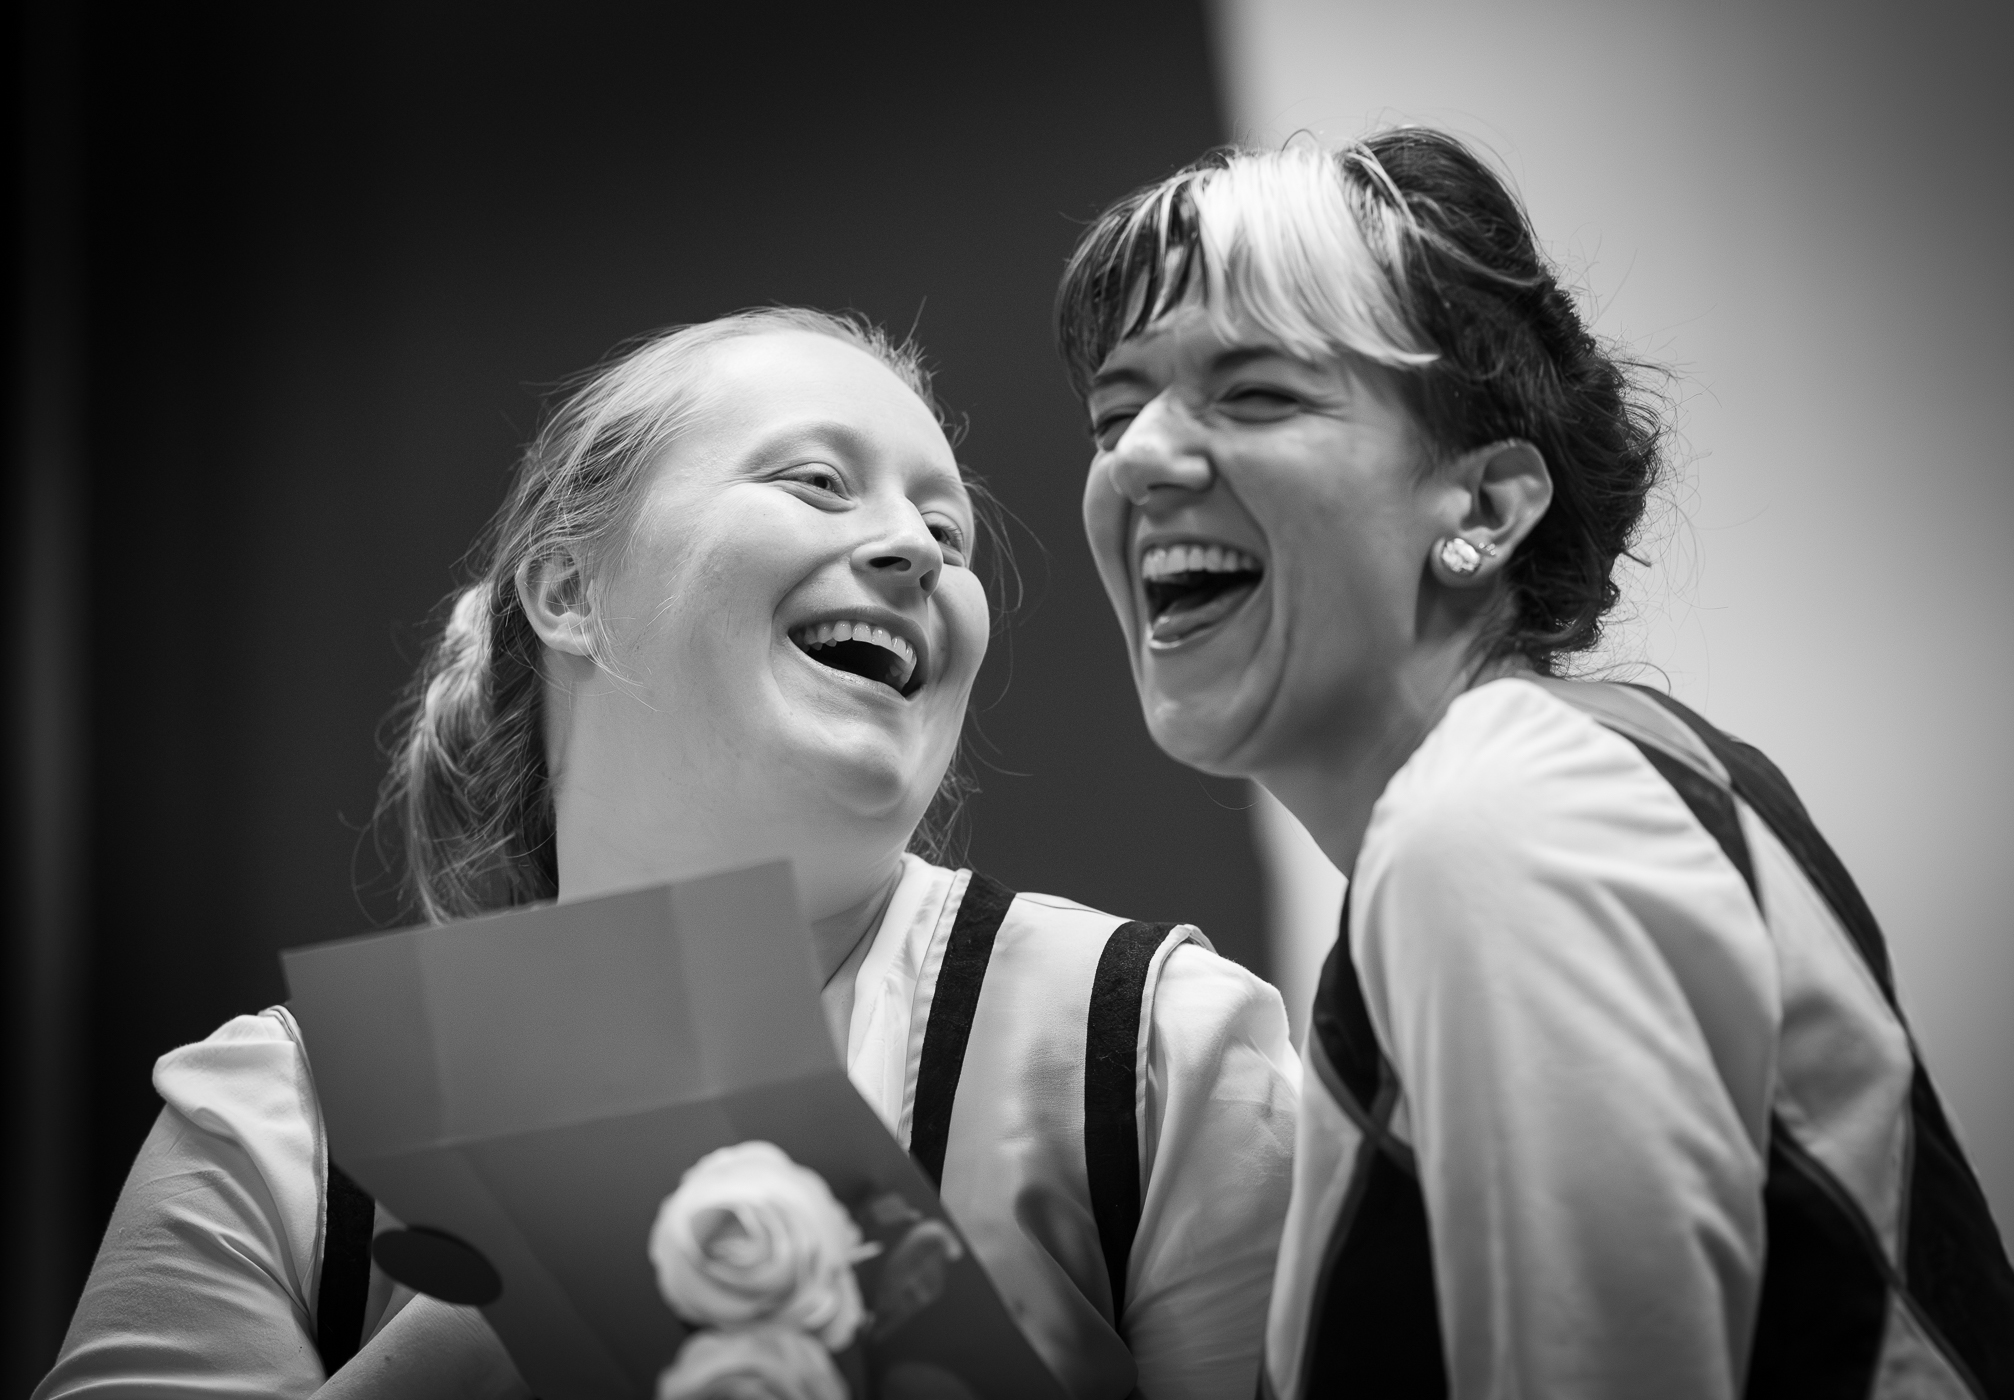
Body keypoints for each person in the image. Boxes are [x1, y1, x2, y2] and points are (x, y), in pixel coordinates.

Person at [38, 308, 1300, 1400]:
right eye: (817, 481)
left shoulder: (1155, 1048)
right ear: (569, 591)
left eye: (948, 531)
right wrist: (484, 1340)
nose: (918, 549)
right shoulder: (285, 1120)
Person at [1056, 130, 2014, 1399]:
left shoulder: (1494, 815)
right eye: (1116, 413)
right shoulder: (1576, 774)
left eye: (1255, 393)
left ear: (1482, 509)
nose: (1138, 457)